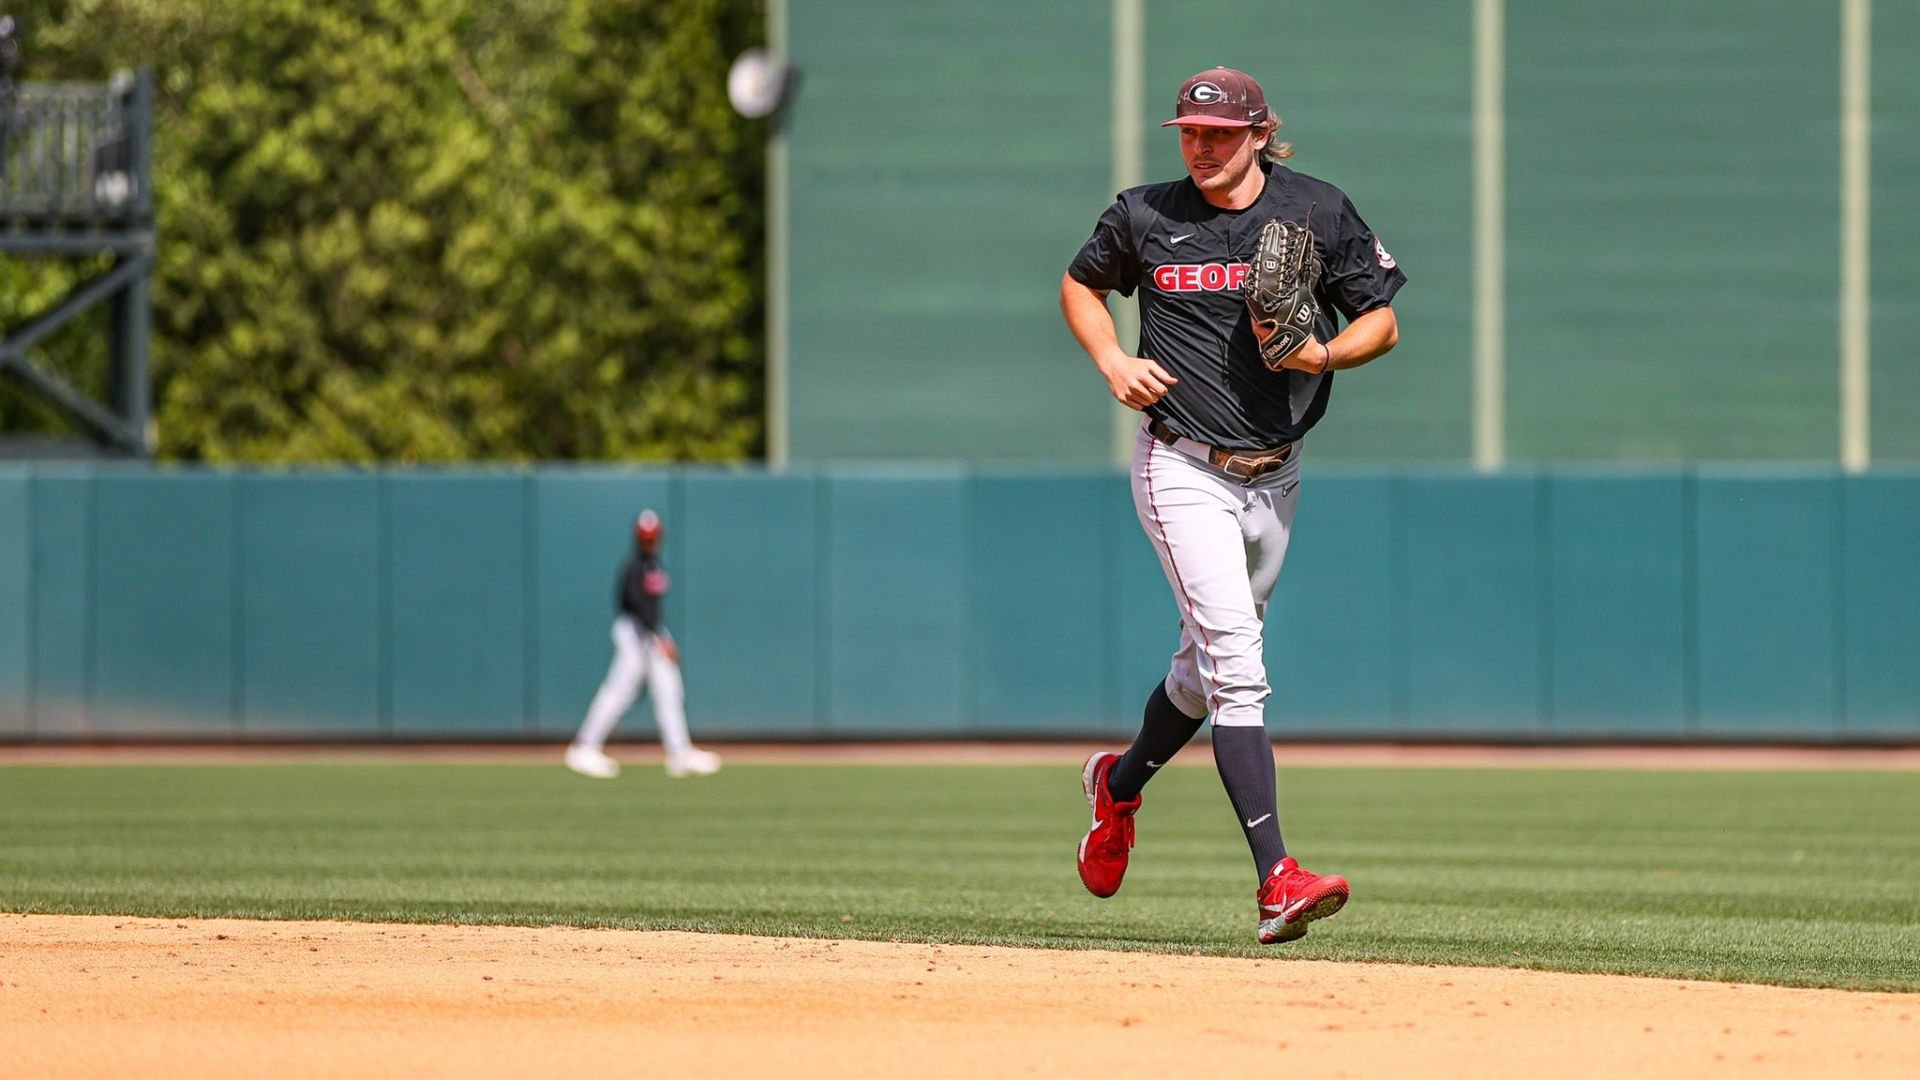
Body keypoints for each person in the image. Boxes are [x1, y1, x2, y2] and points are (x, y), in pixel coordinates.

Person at [1059, 67, 1405, 943]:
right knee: (1239, 666)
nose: (1201, 148)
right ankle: (1277, 879)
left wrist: (1324, 356)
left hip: (1276, 473)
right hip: (1181, 466)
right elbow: (1079, 284)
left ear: (1260, 133)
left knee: (1202, 671)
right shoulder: (1145, 214)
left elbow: (1383, 322)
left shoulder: (1316, 211)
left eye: (1219, 133)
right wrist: (1111, 361)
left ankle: (1120, 784)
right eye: (1189, 132)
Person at [565, 509, 722, 779]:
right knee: (619, 690)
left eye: (653, 536)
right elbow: (632, 604)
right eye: (645, 537)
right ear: (637, 537)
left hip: (651, 633)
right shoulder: (634, 566)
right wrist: (658, 636)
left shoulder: (653, 565)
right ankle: (585, 747)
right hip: (636, 633)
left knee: (669, 690)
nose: (649, 541)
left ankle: (679, 752)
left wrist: (658, 634)